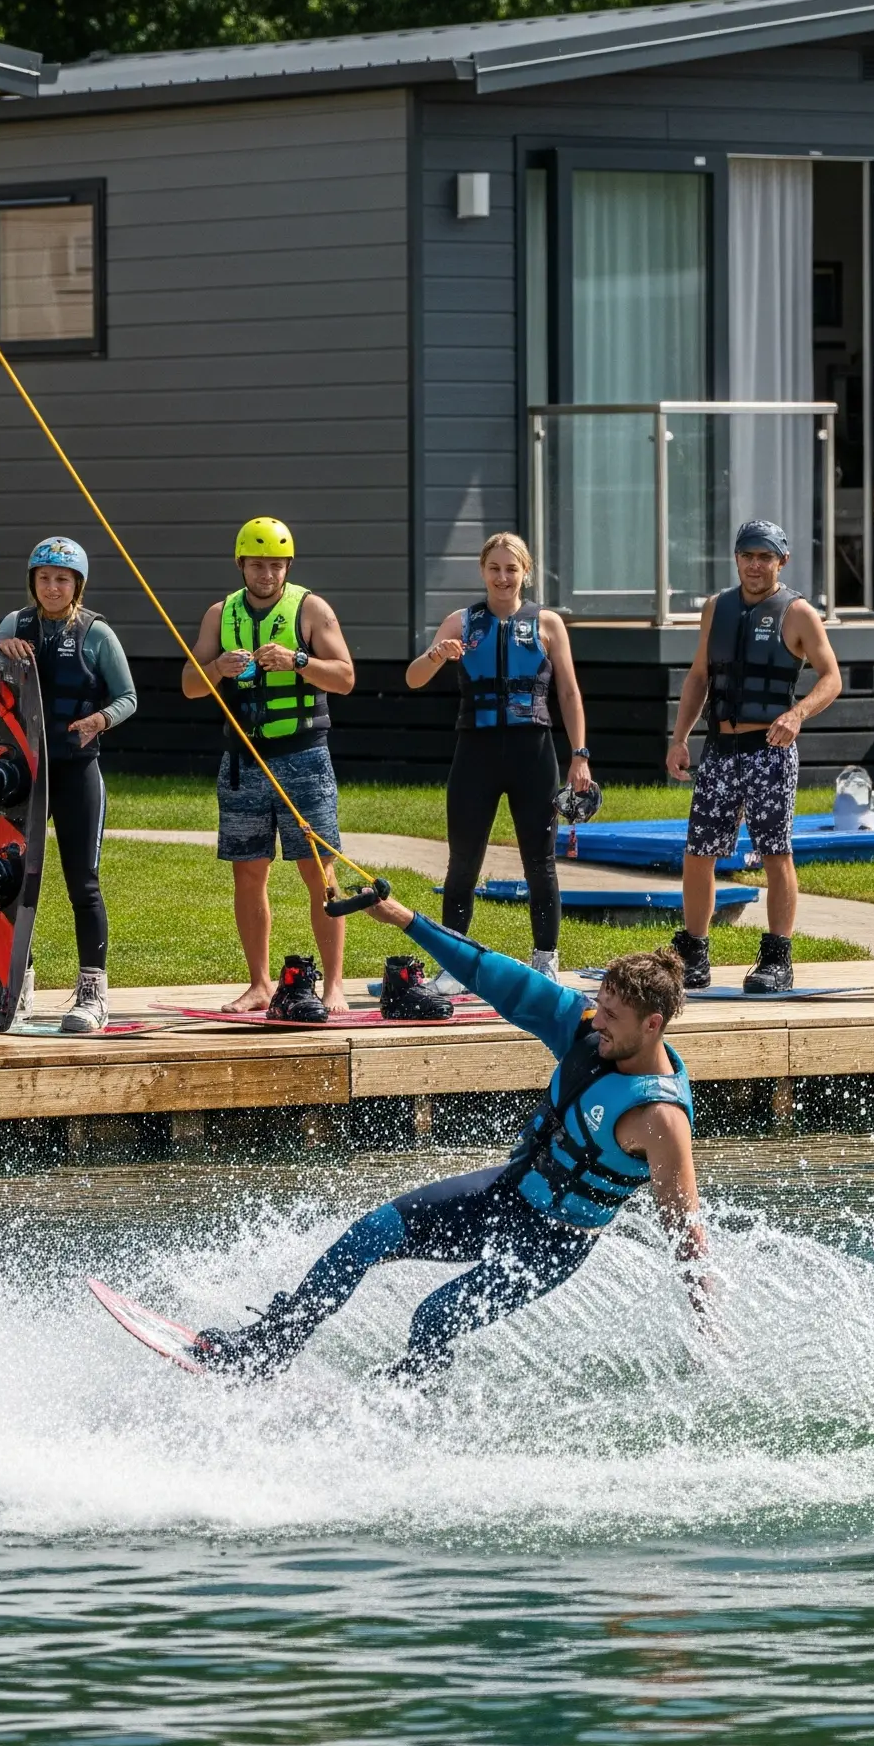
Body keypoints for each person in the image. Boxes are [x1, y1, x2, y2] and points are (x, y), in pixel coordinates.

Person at [188, 904, 703, 1381]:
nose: (598, 1021)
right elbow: (493, 974)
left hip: (553, 1243)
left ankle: (402, 1407)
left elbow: (685, 1227)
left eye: (612, 1015)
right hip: (507, 1196)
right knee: (368, 1236)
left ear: (653, 1025)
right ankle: (266, 1350)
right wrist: (404, 919)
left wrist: (706, 1325)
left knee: (433, 1318)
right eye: (600, 1005)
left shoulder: (660, 1118)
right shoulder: (587, 1032)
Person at [184, 516, 356, 1018]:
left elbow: (345, 677)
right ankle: (259, 985)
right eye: (257, 564)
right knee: (248, 875)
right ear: (241, 564)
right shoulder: (220, 614)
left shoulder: (311, 609)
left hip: (304, 758)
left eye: (276, 565)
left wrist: (299, 661)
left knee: (319, 874)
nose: (267, 574)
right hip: (243, 763)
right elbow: (191, 685)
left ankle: (334, 987)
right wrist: (217, 668)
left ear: (287, 567)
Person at [664, 520, 842, 996]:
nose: (756, 565)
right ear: (737, 558)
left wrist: (797, 714)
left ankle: (777, 957)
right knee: (698, 853)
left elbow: (831, 678)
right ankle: (695, 952)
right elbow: (699, 676)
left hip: (770, 751)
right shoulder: (716, 608)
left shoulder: (798, 613)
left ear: (781, 561)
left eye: (766, 556)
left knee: (775, 852)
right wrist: (680, 738)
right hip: (720, 750)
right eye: (748, 555)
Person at [407, 531, 591, 984]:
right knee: (463, 861)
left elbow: (568, 691)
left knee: (539, 862)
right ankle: (454, 964)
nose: (503, 577)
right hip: (476, 753)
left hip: (534, 753)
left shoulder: (548, 624)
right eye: (495, 568)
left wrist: (580, 755)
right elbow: (413, 679)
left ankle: (545, 960)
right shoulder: (461, 622)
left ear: (525, 572)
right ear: (483, 571)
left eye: (512, 569)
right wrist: (437, 654)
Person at [0, 536, 139, 1033]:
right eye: (44, 578)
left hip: (77, 771)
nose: (52, 587)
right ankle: (18, 983)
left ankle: (92, 993)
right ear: (32, 582)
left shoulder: (98, 634)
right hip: (23, 774)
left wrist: (99, 719)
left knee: (83, 882)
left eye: (62, 579)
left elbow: (129, 698)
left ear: (77, 584)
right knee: (15, 880)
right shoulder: (14, 626)